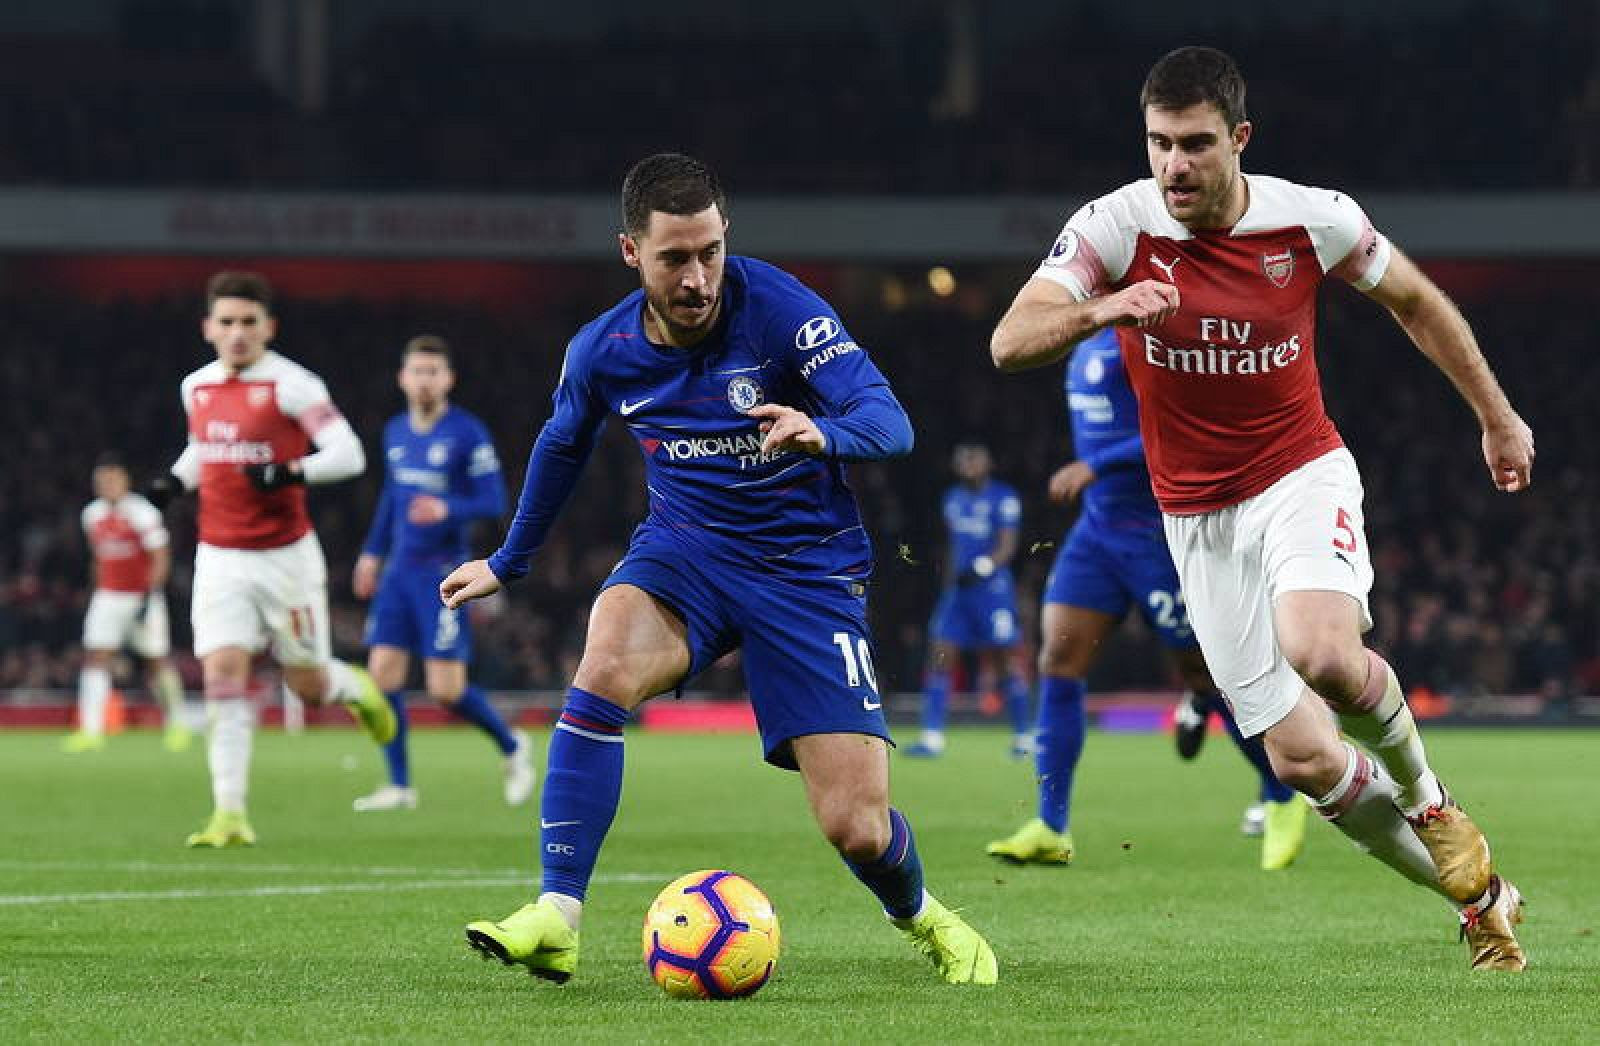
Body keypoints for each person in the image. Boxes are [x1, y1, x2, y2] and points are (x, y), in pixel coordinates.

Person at [991, 47, 1533, 971]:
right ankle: (1481, 899)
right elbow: (1010, 342)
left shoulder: (1313, 219)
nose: (1175, 166)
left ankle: (1432, 802)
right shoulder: (1113, 228)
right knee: (1303, 763)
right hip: (1195, 522)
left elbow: (1417, 301)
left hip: (1298, 473)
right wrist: (1106, 307)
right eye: (1159, 143)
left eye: (1196, 144)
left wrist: (1496, 415)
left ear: (1238, 139)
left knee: (1322, 652)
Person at [443, 153, 997, 985]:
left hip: (806, 571)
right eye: (675, 258)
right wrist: (509, 560)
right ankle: (557, 913)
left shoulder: (778, 311)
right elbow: (562, 447)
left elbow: (891, 420)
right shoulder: (603, 350)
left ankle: (922, 915)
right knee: (601, 664)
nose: (698, 277)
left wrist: (824, 431)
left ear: (725, 235)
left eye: (709, 251)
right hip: (687, 553)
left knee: (856, 825)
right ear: (632, 253)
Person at [984, 329, 1307, 871]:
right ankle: (1050, 824)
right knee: (1058, 663)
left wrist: (1098, 466)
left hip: (1162, 535)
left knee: (1208, 675)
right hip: (1098, 532)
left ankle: (1280, 795)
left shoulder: (1155, 343)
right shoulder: (1085, 340)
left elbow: (1183, 431)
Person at [145, 271, 396, 848]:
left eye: (248, 323)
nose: (237, 333)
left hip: (285, 558)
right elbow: (207, 448)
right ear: (209, 327)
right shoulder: (197, 387)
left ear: (268, 328)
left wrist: (289, 470)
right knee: (222, 673)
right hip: (220, 555)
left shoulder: (292, 385)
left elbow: (348, 453)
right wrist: (173, 482)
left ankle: (353, 687)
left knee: (306, 686)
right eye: (227, 322)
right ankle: (229, 813)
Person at [350, 335, 532, 811]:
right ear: (403, 378)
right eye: (417, 371)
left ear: (448, 379)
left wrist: (446, 508)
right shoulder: (395, 431)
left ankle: (513, 747)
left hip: (444, 572)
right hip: (398, 572)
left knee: (444, 689)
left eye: (434, 371)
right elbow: (392, 499)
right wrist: (371, 554)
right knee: (383, 677)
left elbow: (493, 500)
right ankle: (399, 785)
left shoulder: (467, 432)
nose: (425, 380)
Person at [904, 443, 1032, 759]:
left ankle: (1023, 738)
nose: (968, 464)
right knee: (940, 656)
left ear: (988, 463)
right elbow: (951, 547)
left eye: (975, 458)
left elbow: (1008, 545)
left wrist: (982, 567)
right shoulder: (952, 499)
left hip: (993, 592)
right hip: (959, 593)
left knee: (1004, 662)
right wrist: (949, 584)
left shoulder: (1004, 498)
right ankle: (932, 737)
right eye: (963, 459)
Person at [64, 455, 191, 754]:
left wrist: (149, 596)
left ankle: (177, 725)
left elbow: (160, 557)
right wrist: (95, 591)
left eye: (112, 479)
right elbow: (98, 557)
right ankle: (91, 730)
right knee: (96, 656)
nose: (107, 485)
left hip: (141, 596)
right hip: (108, 596)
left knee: (156, 660)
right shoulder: (91, 514)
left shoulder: (142, 513)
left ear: (125, 481)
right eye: (101, 481)